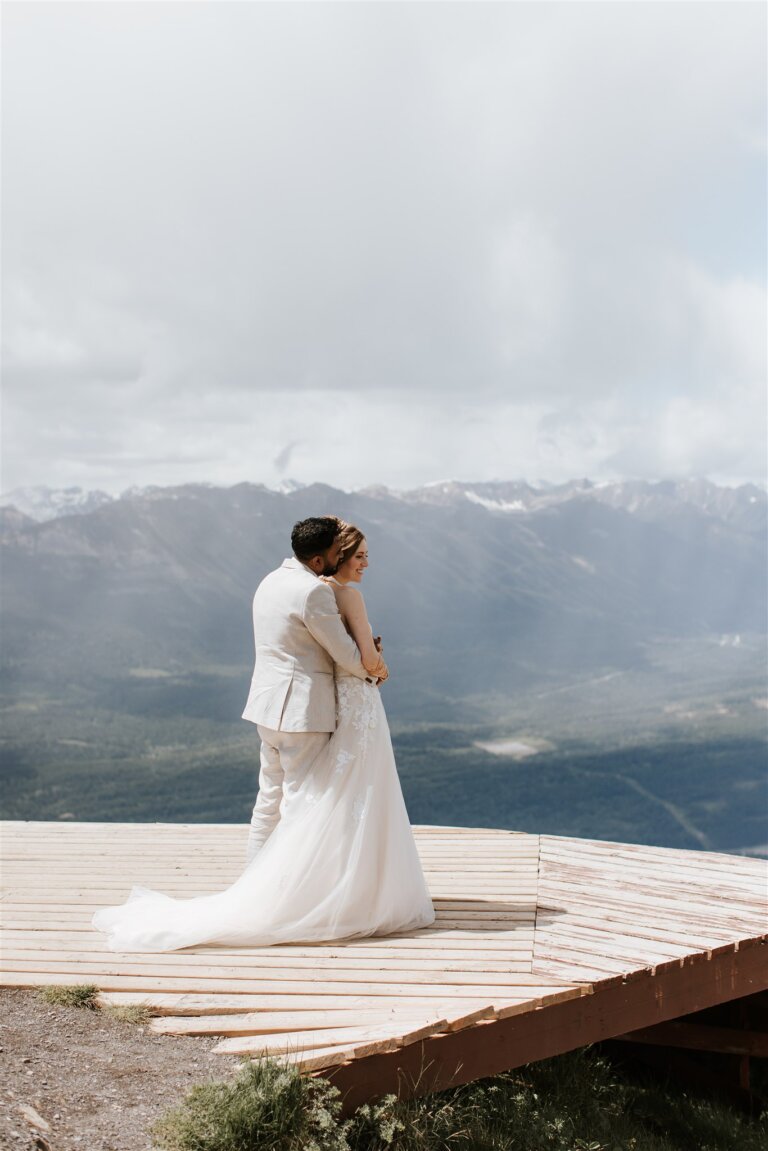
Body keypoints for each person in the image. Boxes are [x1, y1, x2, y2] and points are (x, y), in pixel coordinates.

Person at [91, 517, 435, 951]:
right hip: (302, 714)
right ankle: (281, 899)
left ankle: (253, 889)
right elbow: (348, 657)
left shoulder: (272, 579)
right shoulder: (313, 592)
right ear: (320, 557)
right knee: (303, 804)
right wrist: (377, 664)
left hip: (268, 708)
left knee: (269, 801)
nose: (342, 559)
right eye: (337, 552)